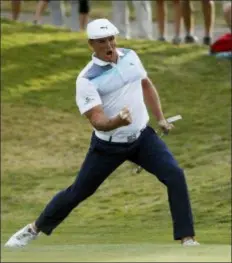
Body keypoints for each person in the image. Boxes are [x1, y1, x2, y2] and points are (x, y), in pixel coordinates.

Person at [4, 18, 199, 248]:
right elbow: (97, 120)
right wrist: (116, 121)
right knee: (78, 192)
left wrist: (161, 118)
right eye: (101, 41)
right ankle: (33, 229)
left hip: (142, 137)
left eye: (111, 39)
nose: (109, 45)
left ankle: (187, 238)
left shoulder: (131, 56)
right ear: (91, 45)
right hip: (108, 146)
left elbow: (145, 84)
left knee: (175, 175)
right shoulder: (86, 79)